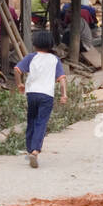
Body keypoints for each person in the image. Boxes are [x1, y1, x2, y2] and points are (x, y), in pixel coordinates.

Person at [12, 30, 68, 169]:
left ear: (35, 44)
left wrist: (19, 84)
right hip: (47, 95)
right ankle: (35, 151)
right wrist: (64, 95)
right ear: (50, 45)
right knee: (41, 122)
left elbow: (17, 69)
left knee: (31, 120)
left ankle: (30, 149)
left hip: (32, 94)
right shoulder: (55, 60)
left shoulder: (31, 57)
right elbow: (62, 80)